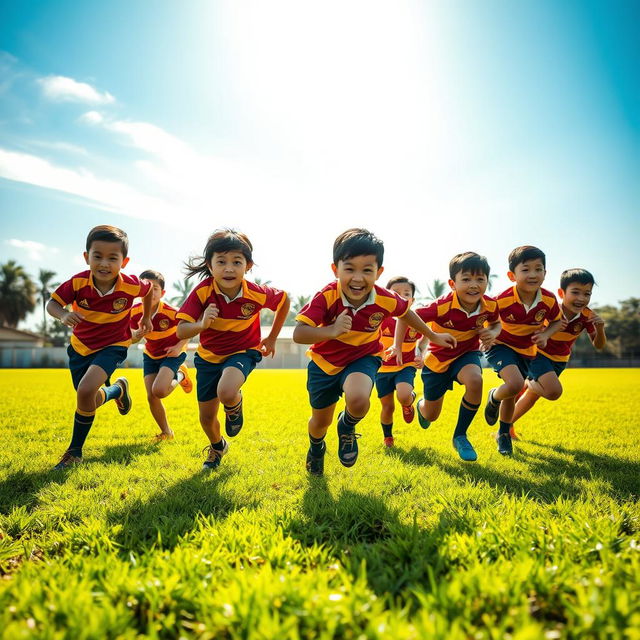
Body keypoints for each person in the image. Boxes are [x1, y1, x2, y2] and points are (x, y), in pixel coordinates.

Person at [294, 228, 456, 476]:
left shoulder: (385, 298)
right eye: (349, 269)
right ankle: (316, 448)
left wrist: (432, 336)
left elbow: (406, 313)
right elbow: (299, 333)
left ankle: (347, 427)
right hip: (324, 363)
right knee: (320, 422)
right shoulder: (326, 295)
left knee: (359, 401)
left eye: (367, 270)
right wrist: (332, 331)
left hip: (363, 357)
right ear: (335, 269)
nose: (358, 278)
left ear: (379, 272)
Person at [176, 229, 290, 470]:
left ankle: (234, 405)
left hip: (243, 351)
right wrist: (201, 324)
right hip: (208, 358)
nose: (229, 268)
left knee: (227, 391)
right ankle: (217, 447)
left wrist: (271, 337)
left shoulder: (256, 293)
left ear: (247, 266)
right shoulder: (202, 293)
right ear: (210, 265)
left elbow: (284, 300)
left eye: (236, 262)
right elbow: (181, 331)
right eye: (221, 262)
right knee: (207, 418)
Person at [47, 225, 153, 469]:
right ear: (87, 257)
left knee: (84, 391)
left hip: (114, 345)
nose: (104, 263)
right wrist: (63, 315)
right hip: (80, 347)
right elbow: (52, 303)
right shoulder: (77, 284)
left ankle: (74, 453)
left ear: (124, 261)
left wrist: (146, 317)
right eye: (98, 256)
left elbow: (148, 292)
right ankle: (117, 390)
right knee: (89, 399)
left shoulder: (131, 284)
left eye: (112, 258)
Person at [395, 252, 501, 461]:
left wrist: (493, 332)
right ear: (453, 283)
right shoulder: (441, 306)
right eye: (466, 279)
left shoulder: (490, 305)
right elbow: (404, 315)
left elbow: (496, 323)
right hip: (437, 362)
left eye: (480, 279)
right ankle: (422, 406)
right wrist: (398, 347)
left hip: (466, 355)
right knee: (431, 414)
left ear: (487, 282)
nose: (474, 285)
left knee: (475, 380)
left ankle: (460, 435)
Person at [484, 246, 563, 455]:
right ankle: (493, 397)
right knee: (515, 384)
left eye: (539, 269)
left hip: (527, 351)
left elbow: (557, 322)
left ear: (545, 273)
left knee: (511, 391)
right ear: (512, 275)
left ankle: (503, 434)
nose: (533, 274)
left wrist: (545, 335)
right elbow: (484, 319)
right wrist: (489, 333)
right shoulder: (501, 299)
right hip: (500, 347)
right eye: (526, 269)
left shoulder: (548, 300)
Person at [510, 268, 607, 435]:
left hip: (559, 360)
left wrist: (600, 328)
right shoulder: (550, 309)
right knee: (553, 392)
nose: (581, 298)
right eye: (575, 292)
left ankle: (505, 429)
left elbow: (598, 345)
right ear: (562, 293)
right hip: (537, 355)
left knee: (532, 397)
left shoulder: (587, 316)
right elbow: (528, 329)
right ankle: (525, 382)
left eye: (587, 294)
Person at [130, 269, 193, 442]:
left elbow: (189, 329)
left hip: (173, 353)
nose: (150, 292)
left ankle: (181, 374)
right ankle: (167, 432)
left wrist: (178, 346)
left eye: (155, 288)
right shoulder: (133, 312)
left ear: (163, 292)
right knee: (151, 396)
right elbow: (131, 339)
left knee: (159, 390)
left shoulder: (172, 312)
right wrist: (137, 335)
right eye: (146, 287)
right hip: (150, 354)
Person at [376, 276, 427, 447]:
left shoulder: (416, 320)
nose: (402, 297)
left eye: (406, 294)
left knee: (404, 395)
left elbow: (422, 343)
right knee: (388, 407)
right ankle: (388, 437)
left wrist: (421, 355)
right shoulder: (380, 318)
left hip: (405, 365)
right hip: (382, 369)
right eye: (396, 293)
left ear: (412, 299)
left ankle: (409, 402)